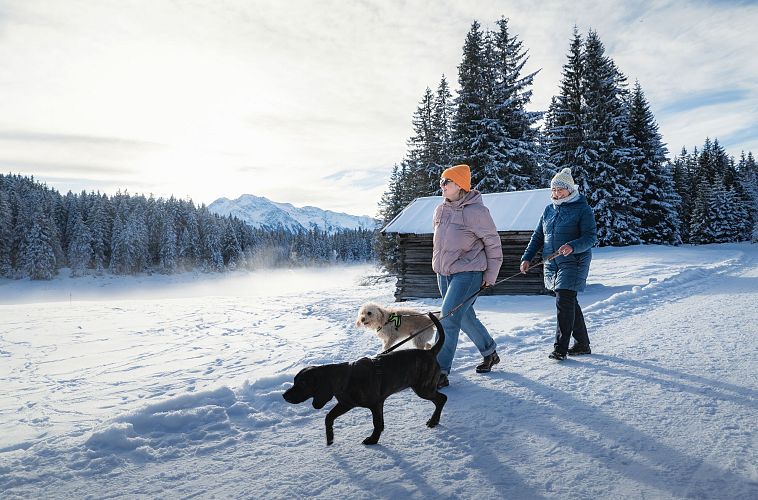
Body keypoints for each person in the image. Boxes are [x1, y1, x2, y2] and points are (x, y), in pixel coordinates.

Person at [432, 164, 503, 388]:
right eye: (441, 181)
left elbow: (493, 244)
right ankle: (489, 351)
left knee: (447, 319)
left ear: (460, 185)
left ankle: (438, 372)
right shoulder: (440, 209)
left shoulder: (476, 212)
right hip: (444, 273)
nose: (441, 185)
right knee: (463, 317)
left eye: (447, 181)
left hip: (469, 272)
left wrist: (490, 275)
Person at [520, 167, 598, 360]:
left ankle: (560, 348)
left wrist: (573, 246)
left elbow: (590, 237)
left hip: (575, 260)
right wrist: (527, 257)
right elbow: (538, 236)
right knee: (569, 300)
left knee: (563, 299)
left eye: (561, 189)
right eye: (554, 189)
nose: (557, 193)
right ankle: (582, 344)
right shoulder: (548, 210)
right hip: (553, 262)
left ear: (570, 190)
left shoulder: (582, 208)